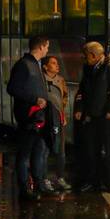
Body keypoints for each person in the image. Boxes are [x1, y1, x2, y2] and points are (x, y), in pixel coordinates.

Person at [6, 36, 54, 199]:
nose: (47, 50)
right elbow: (12, 88)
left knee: (38, 151)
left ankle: (38, 184)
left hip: (39, 117)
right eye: (47, 46)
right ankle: (24, 189)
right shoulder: (23, 65)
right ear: (40, 47)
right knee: (24, 153)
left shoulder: (36, 65)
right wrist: (35, 99)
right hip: (28, 117)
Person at [74, 41, 110, 193]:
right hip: (92, 115)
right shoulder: (88, 67)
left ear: (93, 55)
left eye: (85, 56)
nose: (84, 60)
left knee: (109, 150)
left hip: (106, 116)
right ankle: (92, 181)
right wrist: (80, 108)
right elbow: (82, 89)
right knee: (91, 149)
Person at [41, 56, 72, 191]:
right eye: (53, 63)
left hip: (58, 119)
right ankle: (44, 179)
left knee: (61, 150)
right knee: (45, 151)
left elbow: (64, 98)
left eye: (57, 63)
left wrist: (62, 113)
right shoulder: (41, 80)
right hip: (46, 119)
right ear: (45, 66)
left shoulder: (60, 80)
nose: (57, 65)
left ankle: (60, 178)